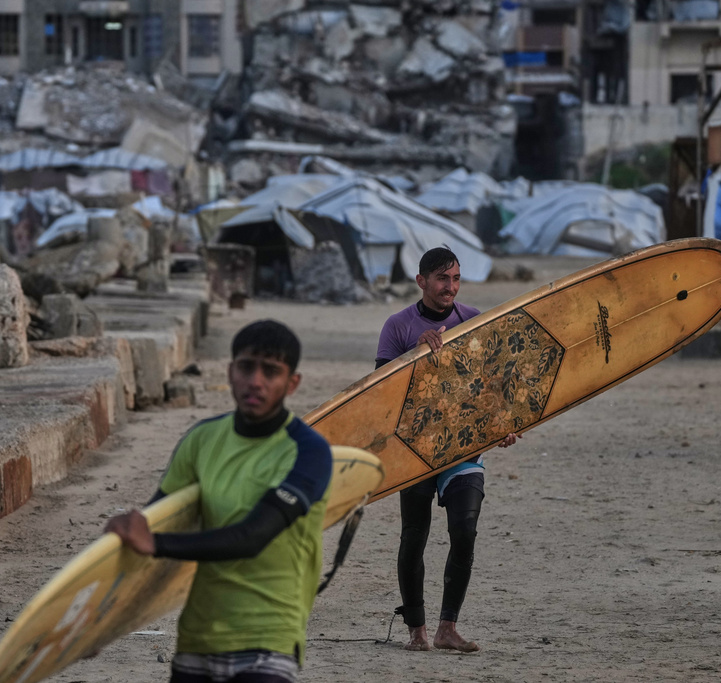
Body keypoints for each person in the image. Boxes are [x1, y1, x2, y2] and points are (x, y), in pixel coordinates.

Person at [105, 319, 333, 683]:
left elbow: (252, 537)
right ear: (230, 371)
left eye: (270, 371)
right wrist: (98, 623)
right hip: (198, 639)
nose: (255, 380)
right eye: (246, 367)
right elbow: (158, 523)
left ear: (292, 383)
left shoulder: (309, 452)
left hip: (268, 640)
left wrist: (156, 543)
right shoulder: (202, 439)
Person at [375, 246, 520, 653]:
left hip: (463, 448)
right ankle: (417, 632)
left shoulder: (473, 321)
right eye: (442, 279)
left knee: (465, 530)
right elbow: (381, 396)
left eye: (455, 278)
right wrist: (414, 356)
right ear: (421, 281)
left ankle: (447, 628)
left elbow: (496, 386)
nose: (449, 287)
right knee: (414, 536)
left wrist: (503, 426)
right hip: (417, 451)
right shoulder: (398, 326)